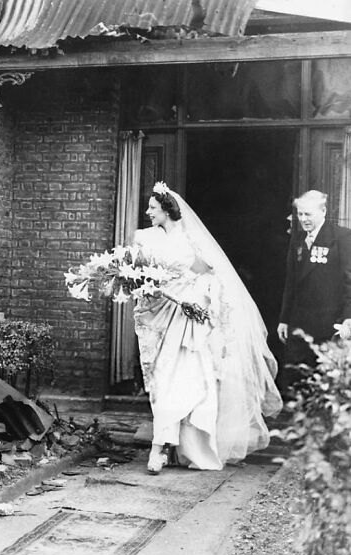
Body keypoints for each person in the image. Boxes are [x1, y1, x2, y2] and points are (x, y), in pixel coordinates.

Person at [133, 183, 282, 474]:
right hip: (162, 317)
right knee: (164, 382)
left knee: (189, 384)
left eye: (153, 207)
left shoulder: (191, 241)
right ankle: (163, 447)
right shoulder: (146, 239)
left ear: (167, 210)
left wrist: (196, 304)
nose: (148, 212)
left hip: (189, 324)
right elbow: (142, 278)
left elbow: (212, 278)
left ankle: (175, 449)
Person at [277, 190, 351, 394]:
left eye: (308, 214)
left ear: (323, 211)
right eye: (300, 214)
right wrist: (284, 319)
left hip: (329, 323)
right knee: (295, 380)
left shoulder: (342, 237)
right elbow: (291, 283)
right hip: (300, 321)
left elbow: (349, 283)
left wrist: (347, 319)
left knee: (323, 381)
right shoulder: (298, 240)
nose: (303, 219)